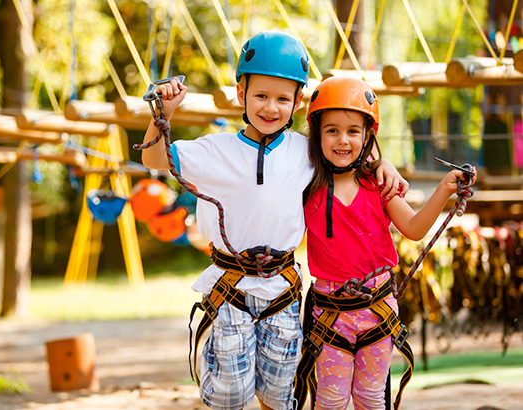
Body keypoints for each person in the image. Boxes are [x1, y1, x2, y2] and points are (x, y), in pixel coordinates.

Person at [140, 31, 407, 410]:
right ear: (240, 94)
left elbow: (348, 155)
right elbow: (153, 160)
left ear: (298, 102)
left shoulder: (305, 151)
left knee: (281, 394)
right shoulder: (216, 151)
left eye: (283, 98)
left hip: (281, 289)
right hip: (232, 286)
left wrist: (383, 164)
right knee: (230, 394)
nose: (271, 107)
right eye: (261, 96)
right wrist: (163, 115)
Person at [294, 76, 477, 410]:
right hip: (329, 314)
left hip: (377, 313)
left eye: (353, 131)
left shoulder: (379, 184)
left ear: (368, 136)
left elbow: (414, 227)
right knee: (330, 401)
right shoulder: (305, 186)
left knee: (370, 399)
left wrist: (444, 190)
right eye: (331, 130)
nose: (342, 140)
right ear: (316, 133)